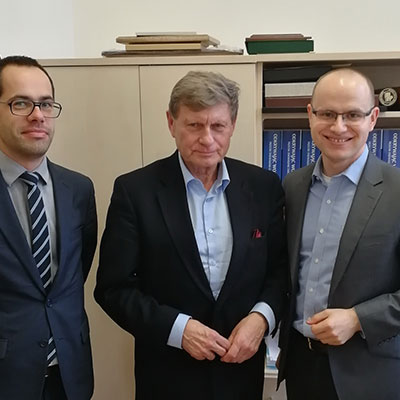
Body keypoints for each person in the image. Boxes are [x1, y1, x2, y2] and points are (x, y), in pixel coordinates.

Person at [95, 70, 287, 400]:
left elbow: (279, 271)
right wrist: (179, 329)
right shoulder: (135, 191)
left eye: (218, 126)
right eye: (194, 125)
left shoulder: (263, 186)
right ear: (172, 123)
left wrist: (261, 318)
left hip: (240, 374)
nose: (207, 138)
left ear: (233, 126)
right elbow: (114, 289)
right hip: (167, 375)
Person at [278, 68, 400, 400]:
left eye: (353, 115)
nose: (339, 127)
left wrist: (359, 318)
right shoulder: (292, 186)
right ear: (310, 115)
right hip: (301, 365)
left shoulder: (397, 192)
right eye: (328, 114)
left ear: (373, 118)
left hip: (371, 374)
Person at [0, 56, 97, 400]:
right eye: (20, 103)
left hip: (69, 374)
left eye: (45, 104)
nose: (37, 115)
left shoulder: (79, 189)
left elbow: (75, 274)